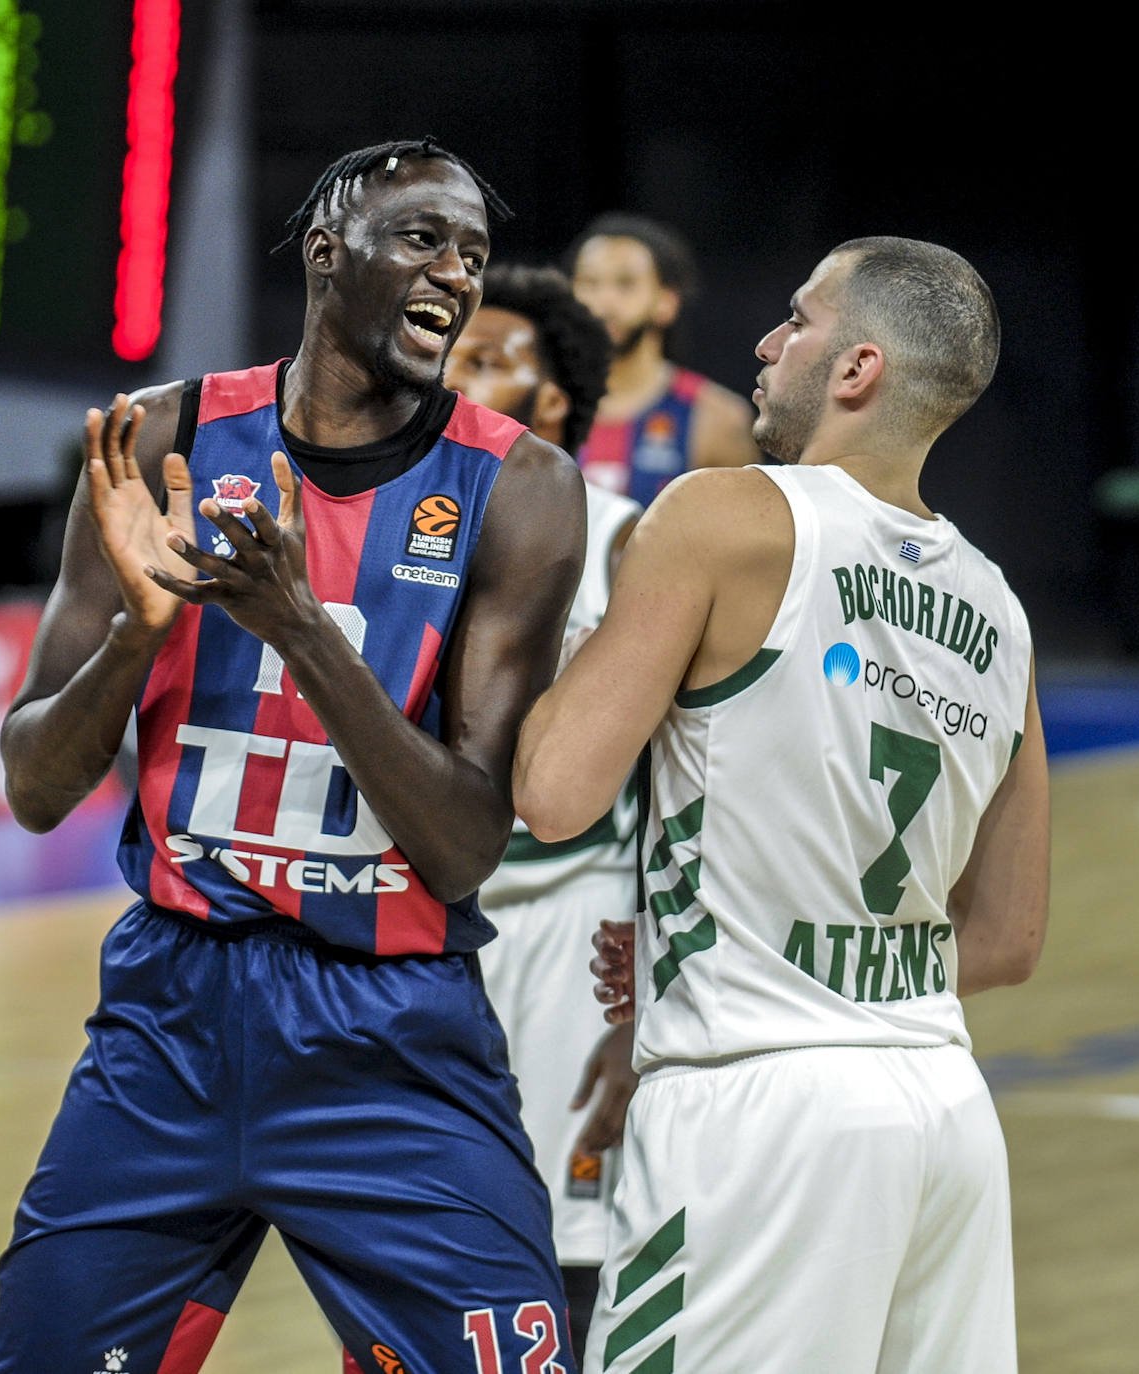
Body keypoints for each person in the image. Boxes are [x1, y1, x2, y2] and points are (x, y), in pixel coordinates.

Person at [0, 138, 587, 1374]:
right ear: (327, 251)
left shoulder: (517, 488)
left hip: (390, 1037)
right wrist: (136, 643)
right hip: (171, 1016)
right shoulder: (163, 440)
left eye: (471, 255)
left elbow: (465, 845)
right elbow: (36, 786)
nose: (455, 275)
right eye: (423, 239)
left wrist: (299, 626)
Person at [514, 236, 1051, 1373]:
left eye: (796, 320)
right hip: (942, 1113)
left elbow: (554, 794)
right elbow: (1005, 938)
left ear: (855, 369)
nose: (764, 343)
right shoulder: (998, 611)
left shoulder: (720, 518)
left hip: (754, 1109)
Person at [444, 263, 642, 1366]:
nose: (453, 372)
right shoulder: (406, 524)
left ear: (555, 397)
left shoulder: (628, 541)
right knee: (444, 1250)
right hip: (436, 931)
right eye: (451, 353)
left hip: (578, 924)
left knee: (572, 1253)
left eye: (485, 358)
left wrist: (643, 976)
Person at [567, 213, 759, 506]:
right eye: (589, 282)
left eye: (625, 283)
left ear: (666, 302)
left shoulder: (718, 419)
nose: (603, 301)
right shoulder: (541, 405)